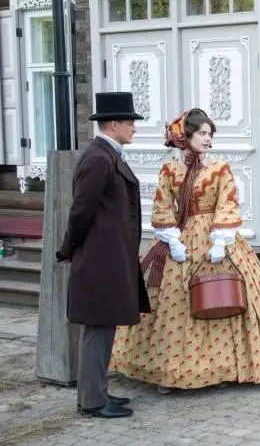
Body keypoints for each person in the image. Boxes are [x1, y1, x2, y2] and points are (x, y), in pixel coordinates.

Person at [110, 109, 260, 391]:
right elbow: (162, 206)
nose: (208, 139)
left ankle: (224, 368)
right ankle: (169, 371)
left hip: (216, 237)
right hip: (180, 239)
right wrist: (172, 239)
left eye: (210, 134)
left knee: (224, 295)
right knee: (174, 303)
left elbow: (228, 203)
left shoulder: (219, 168)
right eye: (202, 133)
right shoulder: (170, 170)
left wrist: (220, 241)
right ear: (186, 137)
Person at [56, 92, 150, 418]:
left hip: (109, 259)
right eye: (130, 122)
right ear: (114, 125)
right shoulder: (98, 158)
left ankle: (98, 392)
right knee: (97, 330)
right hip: (99, 261)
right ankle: (93, 402)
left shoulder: (109, 155)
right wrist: (69, 248)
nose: (134, 127)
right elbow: (80, 211)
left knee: (104, 328)